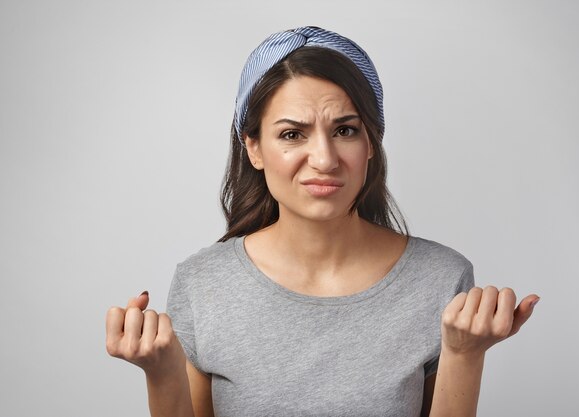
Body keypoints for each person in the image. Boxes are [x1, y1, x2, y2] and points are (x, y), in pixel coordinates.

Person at [105, 26, 539, 417]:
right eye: (292, 134)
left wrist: (464, 356)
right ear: (253, 148)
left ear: (372, 142)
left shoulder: (442, 279)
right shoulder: (202, 283)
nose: (325, 159)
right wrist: (161, 375)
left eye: (345, 130)